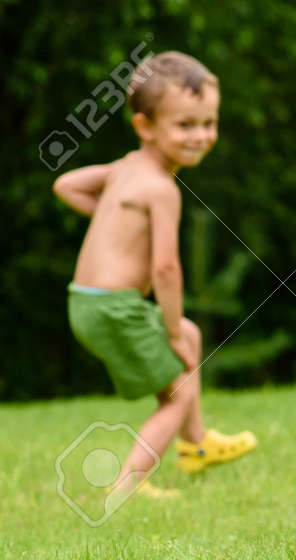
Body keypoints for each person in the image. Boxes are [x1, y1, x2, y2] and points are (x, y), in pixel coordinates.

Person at [53, 51, 255, 498]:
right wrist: (169, 330)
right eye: (185, 125)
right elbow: (165, 268)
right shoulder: (161, 188)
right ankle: (127, 486)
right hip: (113, 308)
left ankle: (196, 444)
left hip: (85, 300)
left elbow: (65, 185)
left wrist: (116, 226)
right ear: (145, 126)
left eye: (208, 122)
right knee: (178, 388)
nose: (200, 136)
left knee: (191, 333)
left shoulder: (126, 169)